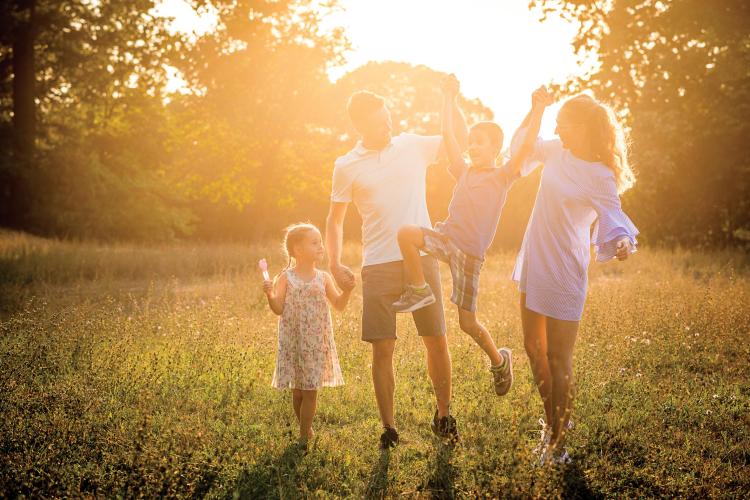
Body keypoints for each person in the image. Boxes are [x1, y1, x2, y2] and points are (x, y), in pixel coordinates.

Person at [326, 89, 469, 448]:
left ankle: (443, 416)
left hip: (420, 259)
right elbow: (335, 219)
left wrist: (449, 101)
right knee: (383, 348)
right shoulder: (346, 165)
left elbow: (460, 138)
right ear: (360, 126)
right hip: (377, 265)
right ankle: (389, 428)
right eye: (378, 123)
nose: (387, 126)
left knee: (436, 339)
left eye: (388, 118)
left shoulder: (412, 145)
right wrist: (334, 262)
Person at [394, 76, 553, 397]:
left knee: (468, 324)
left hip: (469, 257)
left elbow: (524, 146)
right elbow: (448, 134)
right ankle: (418, 290)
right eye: (472, 143)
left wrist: (537, 109)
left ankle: (499, 360)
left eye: (480, 143)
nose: (473, 147)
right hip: (445, 239)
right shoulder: (462, 170)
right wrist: (448, 98)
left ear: (496, 149)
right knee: (406, 234)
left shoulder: (503, 176)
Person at [511, 93, 638, 465]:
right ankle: (551, 422)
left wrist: (624, 242)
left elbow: (613, 216)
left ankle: (558, 444)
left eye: (562, 122)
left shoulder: (600, 175)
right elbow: (520, 147)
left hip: (565, 271)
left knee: (558, 357)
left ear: (582, 127)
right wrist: (535, 108)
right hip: (534, 261)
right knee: (533, 350)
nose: (555, 129)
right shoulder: (553, 152)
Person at [263, 223, 351, 449]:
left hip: (315, 343)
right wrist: (270, 295)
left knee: (311, 391)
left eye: (320, 242)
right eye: (314, 243)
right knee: (298, 392)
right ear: (298, 249)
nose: (321, 246)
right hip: (293, 342)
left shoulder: (323, 278)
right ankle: (306, 426)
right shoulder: (285, 277)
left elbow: (339, 305)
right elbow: (279, 308)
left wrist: (348, 290)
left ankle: (304, 435)